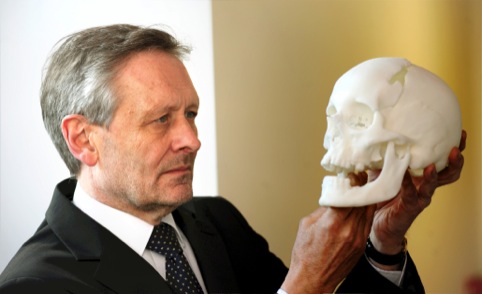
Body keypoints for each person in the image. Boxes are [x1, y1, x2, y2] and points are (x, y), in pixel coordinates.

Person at [0, 24, 465, 294]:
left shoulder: (218, 222)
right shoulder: (35, 286)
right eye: (161, 119)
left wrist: (383, 241)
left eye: (191, 114)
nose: (192, 140)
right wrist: (303, 287)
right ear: (83, 140)